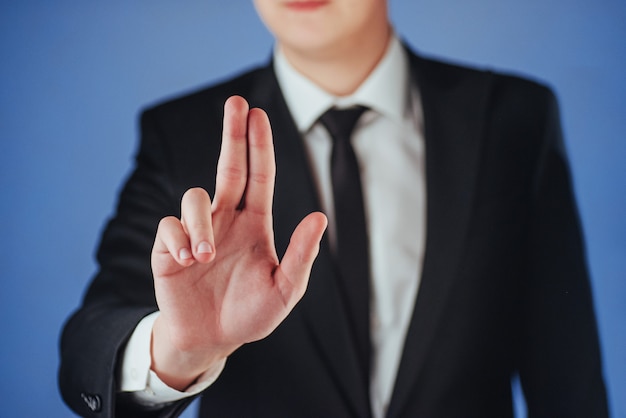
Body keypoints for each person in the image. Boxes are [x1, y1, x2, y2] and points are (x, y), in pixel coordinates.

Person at [59, 1, 608, 417]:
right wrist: (180, 350)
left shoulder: (515, 118)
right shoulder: (182, 135)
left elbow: (567, 373)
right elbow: (89, 345)